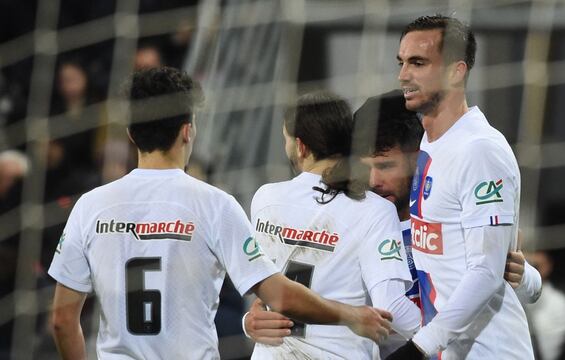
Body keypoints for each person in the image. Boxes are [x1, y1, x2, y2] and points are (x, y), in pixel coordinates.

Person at [47, 67, 393, 360]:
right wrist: (351, 315)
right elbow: (280, 296)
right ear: (188, 131)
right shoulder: (214, 204)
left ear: (131, 134)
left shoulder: (90, 206)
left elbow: (63, 319)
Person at [243, 90, 542, 356]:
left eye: (386, 166)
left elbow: (522, 294)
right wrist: (253, 322)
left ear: (417, 160)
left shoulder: (453, 221)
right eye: (365, 167)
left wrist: (524, 276)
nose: (374, 181)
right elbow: (301, 294)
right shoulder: (354, 219)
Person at [387, 15, 534, 358]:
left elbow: (485, 271)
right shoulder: (431, 142)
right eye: (402, 62)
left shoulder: (479, 149)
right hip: (449, 349)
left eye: (418, 63)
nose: (403, 75)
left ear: (456, 71)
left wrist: (419, 347)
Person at [248, 91, 420, 359]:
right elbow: (393, 309)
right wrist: (446, 333)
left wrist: (249, 321)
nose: (375, 179)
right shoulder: (374, 211)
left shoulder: (265, 199)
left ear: (301, 146)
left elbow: (267, 294)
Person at [525, 251, 565, 360]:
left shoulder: (560, 302)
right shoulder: (509, 297)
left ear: (548, 267)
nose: (532, 270)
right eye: (528, 265)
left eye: (536, 266)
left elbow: (550, 350)